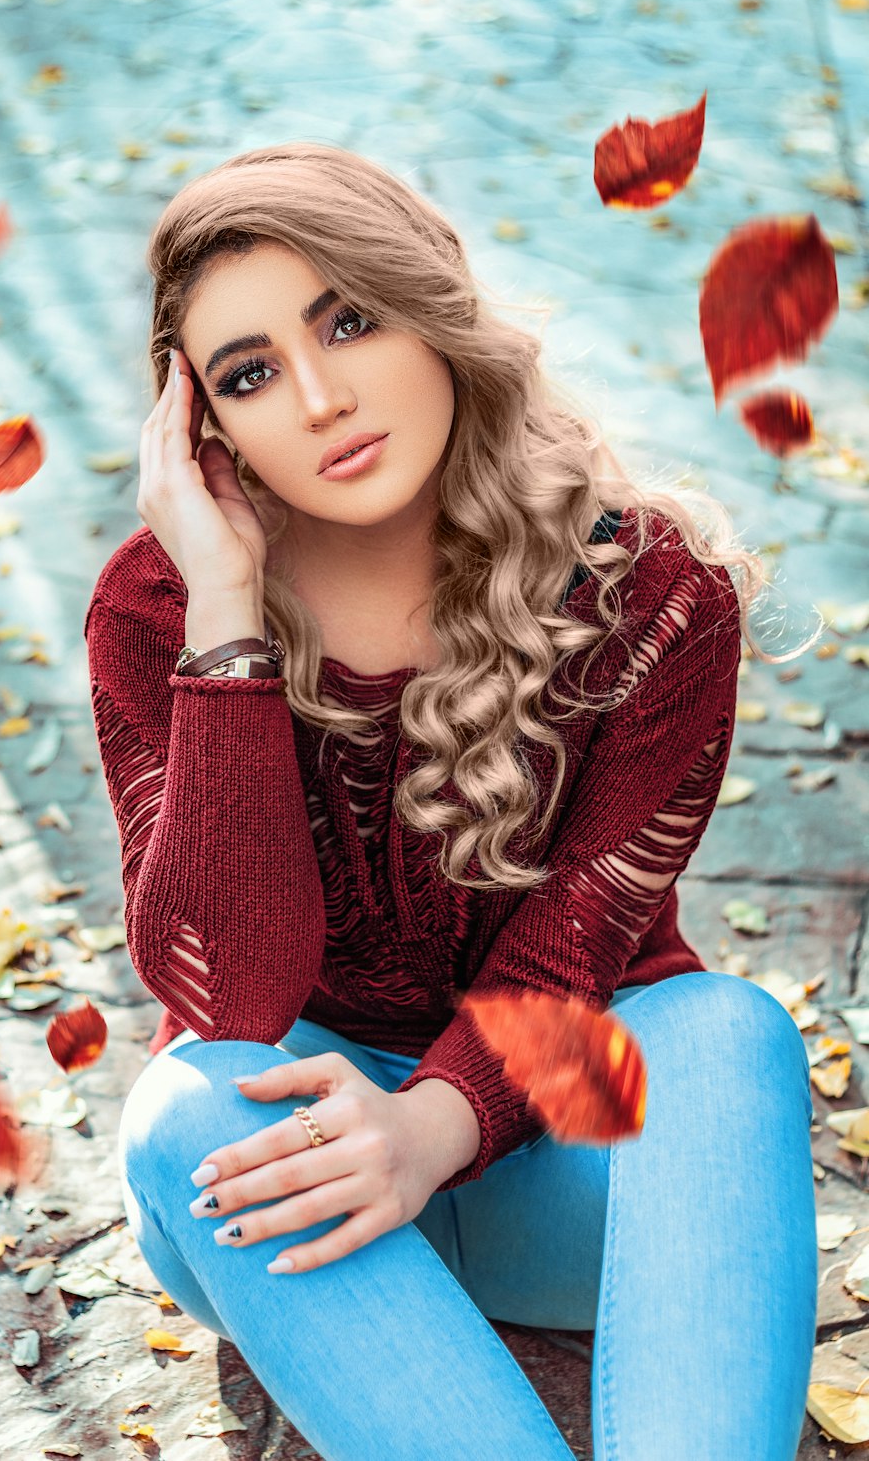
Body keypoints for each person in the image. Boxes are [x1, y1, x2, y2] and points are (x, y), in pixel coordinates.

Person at [83, 142, 818, 1460]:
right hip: (299, 1198)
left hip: (566, 1179)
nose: (317, 399)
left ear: (430, 307)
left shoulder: (653, 593)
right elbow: (226, 999)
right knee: (194, 1100)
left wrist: (431, 1127)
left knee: (723, 1033)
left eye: (348, 321)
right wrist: (230, 622)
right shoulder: (158, 610)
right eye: (249, 374)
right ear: (203, 427)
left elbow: (579, 948)